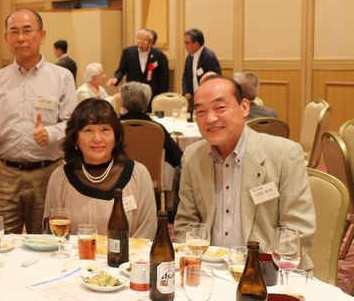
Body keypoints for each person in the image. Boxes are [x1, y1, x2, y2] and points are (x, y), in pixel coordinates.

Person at [174, 76, 315, 267]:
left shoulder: (285, 155)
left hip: (269, 270)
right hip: (208, 270)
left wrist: (259, 271)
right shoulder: (192, 157)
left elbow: (298, 230)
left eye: (220, 108)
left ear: (244, 107)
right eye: (201, 111)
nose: (210, 118)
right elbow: (185, 223)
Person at [0, 8, 77, 234]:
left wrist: (50, 134)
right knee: (0, 241)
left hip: (48, 174)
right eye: (14, 32)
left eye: (27, 31)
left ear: (42, 35)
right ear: (6, 38)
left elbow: (72, 125)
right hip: (6, 175)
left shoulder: (61, 77)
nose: (20, 38)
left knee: (46, 241)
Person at [43, 99, 156, 239]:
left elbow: (147, 232)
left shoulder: (138, 175)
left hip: (127, 254)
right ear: (75, 137)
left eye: (105, 130)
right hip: (74, 254)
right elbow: (53, 236)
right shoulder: (60, 178)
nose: (97, 138)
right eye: (88, 130)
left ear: (116, 136)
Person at [118, 82, 183, 169]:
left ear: (123, 104)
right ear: (146, 104)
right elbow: (178, 159)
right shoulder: (157, 129)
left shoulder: (115, 127)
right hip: (150, 177)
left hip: (119, 176)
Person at [107, 28, 169, 100]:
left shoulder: (159, 56)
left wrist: (161, 97)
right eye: (139, 40)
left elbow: (163, 79)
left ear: (151, 42)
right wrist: (116, 78)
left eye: (144, 41)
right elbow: (121, 70)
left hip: (151, 94)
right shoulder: (128, 52)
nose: (141, 44)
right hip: (132, 93)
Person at [182, 28, 222, 100]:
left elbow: (215, 79)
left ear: (196, 44)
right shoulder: (189, 57)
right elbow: (185, 77)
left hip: (207, 97)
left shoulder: (209, 57)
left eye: (187, 43)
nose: (185, 46)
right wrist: (186, 92)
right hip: (192, 98)